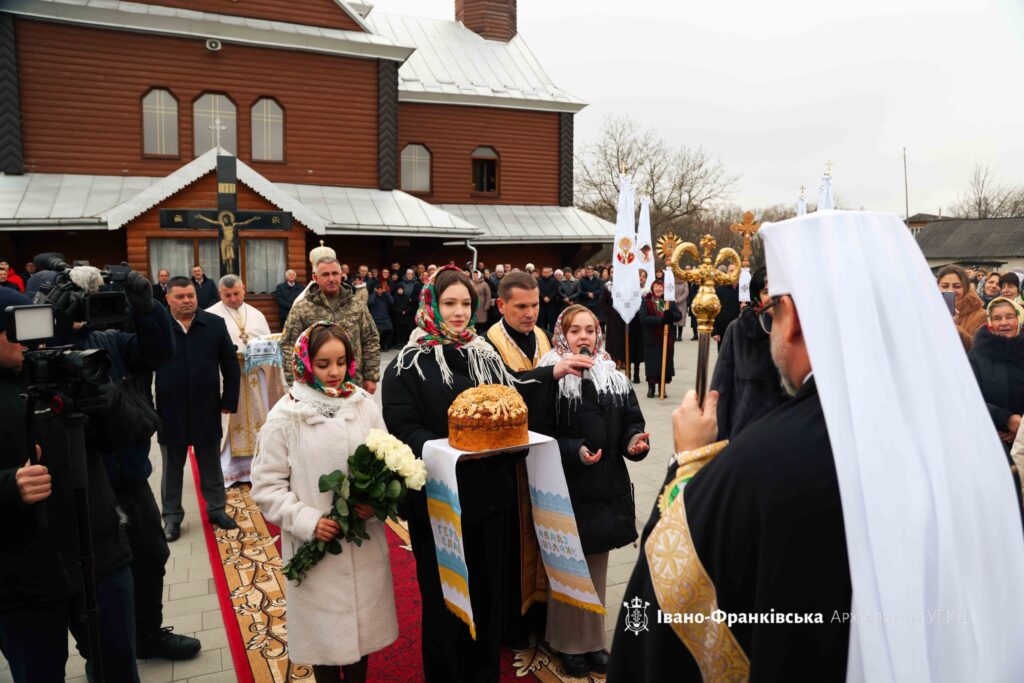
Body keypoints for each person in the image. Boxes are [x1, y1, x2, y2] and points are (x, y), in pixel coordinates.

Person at [608, 211, 1024, 682]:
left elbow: (659, 605)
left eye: (774, 314)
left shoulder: (757, 465)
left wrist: (687, 465)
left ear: (798, 320)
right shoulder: (977, 450)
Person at [382, 267, 591, 682]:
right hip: (442, 501)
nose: (459, 313)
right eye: (449, 304)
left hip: (492, 496)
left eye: (465, 304)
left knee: (489, 593)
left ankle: (482, 673)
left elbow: (513, 387)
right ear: (431, 305)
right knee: (447, 600)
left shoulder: (482, 351)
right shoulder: (408, 364)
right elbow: (403, 428)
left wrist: (553, 371)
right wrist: (454, 448)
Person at [0, 287, 146, 682]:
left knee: (118, 668)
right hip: (22, 578)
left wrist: (110, 400)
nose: (32, 342)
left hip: (100, 556)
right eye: (14, 331)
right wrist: (9, 486)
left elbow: (138, 431)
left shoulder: (65, 370)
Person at [252, 322, 398, 683]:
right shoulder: (286, 416)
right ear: (304, 364)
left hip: (362, 544)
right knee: (325, 641)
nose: (334, 372)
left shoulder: (363, 405)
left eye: (341, 361)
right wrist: (307, 520)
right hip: (318, 547)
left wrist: (375, 504)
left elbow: (387, 458)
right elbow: (267, 486)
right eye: (322, 364)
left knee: (363, 633)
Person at [537, 305, 649, 677]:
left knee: (596, 569)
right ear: (561, 335)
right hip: (566, 487)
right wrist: (575, 450)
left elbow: (632, 421)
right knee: (569, 568)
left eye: (589, 330)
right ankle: (569, 645)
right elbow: (540, 431)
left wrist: (635, 442)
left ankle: (594, 642)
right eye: (574, 331)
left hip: (605, 488)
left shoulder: (613, 375)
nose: (583, 337)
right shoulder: (549, 374)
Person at [157, 277, 240, 541]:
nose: (186, 301)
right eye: (180, 297)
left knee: (211, 465)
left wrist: (229, 400)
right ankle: (171, 518)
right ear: (168, 299)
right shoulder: (158, 328)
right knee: (171, 468)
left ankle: (216, 510)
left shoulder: (214, 325)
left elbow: (230, 364)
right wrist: (146, 409)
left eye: (190, 296)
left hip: (206, 407)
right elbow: (140, 369)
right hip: (170, 410)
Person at [206, 274, 285, 489]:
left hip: (255, 376)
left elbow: (269, 344)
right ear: (220, 293)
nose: (232, 299)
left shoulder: (257, 314)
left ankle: (257, 466)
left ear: (244, 289)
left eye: (236, 293)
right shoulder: (211, 315)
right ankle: (231, 469)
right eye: (227, 295)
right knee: (231, 420)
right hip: (227, 378)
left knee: (260, 416)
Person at [709, 267, 789, 440]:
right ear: (757, 296)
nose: (774, 297)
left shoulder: (799, 333)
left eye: (779, 290)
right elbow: (720, 389)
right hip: (745, 436)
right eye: (767, 291)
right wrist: (719, 440)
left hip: (788, 437)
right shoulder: (738, 330)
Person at [281, 256, 380, 393]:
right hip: (315, 387)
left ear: (341, 275)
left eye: (335, 273)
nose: (332, 279)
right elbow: (288, 345)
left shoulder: (357, 305)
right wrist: (294, 383)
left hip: (354, 383)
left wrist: (371, 376)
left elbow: (370, 340)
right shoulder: (302, 308)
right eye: (325, 274)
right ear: (315, 278)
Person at [968, 297, 1024, 454]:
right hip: (991, 440)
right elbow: (969, 397)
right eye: (997, 318)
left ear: (1019, 319)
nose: (1004, 323)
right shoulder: (977, 356)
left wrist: (1020, 427)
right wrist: (1005, 419)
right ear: (990, 323)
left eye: (1010, 317)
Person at [485, 271, 552, 371]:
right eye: (521, 306)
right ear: (501, 305)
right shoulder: (485, 347)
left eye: (534, 305)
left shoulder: (548, 338)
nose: (530, 314)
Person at [640, 280, 682, 398]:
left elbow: (679, 315)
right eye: (656, 286)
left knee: (665, 363)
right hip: (651, 339)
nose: (658, 289)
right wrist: (660, 320)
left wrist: (670, 315)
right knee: (652, 364)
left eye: (660, 287)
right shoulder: (646, 302)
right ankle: (651, 388)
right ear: (653, 288)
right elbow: (643, 318)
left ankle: (662, 388)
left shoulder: (669, 302)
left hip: (667, 339)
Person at [937, 265, 988, 347]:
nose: (950, 290)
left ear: (966, 288)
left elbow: (979, 348)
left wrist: (954, 328)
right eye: (945, 286)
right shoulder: (929, 311)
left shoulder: (981, 315)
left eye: (957, 286)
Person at [711, 264, 740, 350]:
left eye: (736, 270)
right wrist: (714, 331)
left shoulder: (744, 291)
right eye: (731, 270)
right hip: (723, 330)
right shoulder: (719, 290)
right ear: (727, 273)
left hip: (740, 330)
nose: (734, 273)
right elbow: (713, 311)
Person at [392, 268, 419, 349]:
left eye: (411, 274)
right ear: (406, 275)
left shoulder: (416, 283)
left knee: (410, 325)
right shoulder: (402, 283)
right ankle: (399, 342)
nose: (409, 276)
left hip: (412, 306)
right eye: (408, 274)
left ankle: (408, 341)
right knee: (400, 327)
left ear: (413, 275)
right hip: (402, 305)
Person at [367, 277, 394, 351]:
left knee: (389, 330)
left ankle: (385, 346)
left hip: (385, 317)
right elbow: (370, 302)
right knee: (378, 333)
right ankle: (378, 346)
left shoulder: (385, 296)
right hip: (376, 318)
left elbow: (391, 301)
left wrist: (386, 292)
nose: (380, 290)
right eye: (378, 289)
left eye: (381, 289)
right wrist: (374, 293)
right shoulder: (373, 296)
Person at [537, 266, 559, 334]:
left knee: (552, 322)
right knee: (541, 323)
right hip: (542, 305)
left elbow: (555, 291)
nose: (545, 273)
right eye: (544, 272)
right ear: (542, 273)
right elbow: (538, 290)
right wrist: (543, 297)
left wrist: (549, 297)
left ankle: (551, 337)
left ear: (550, 273)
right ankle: (542, 335)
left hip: (551, 305)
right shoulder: (538, 281)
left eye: (547, 272)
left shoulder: (554, 281)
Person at [472, 269, 493, 334]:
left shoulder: (484, 284)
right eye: (474, 275)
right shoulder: (471, 283)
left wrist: (487, 305)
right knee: (473, 325)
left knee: (481, 325)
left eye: (476, 275)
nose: (475, 276)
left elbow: (488, 295)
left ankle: (481, 337)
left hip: (482, 307)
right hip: (473, 306)